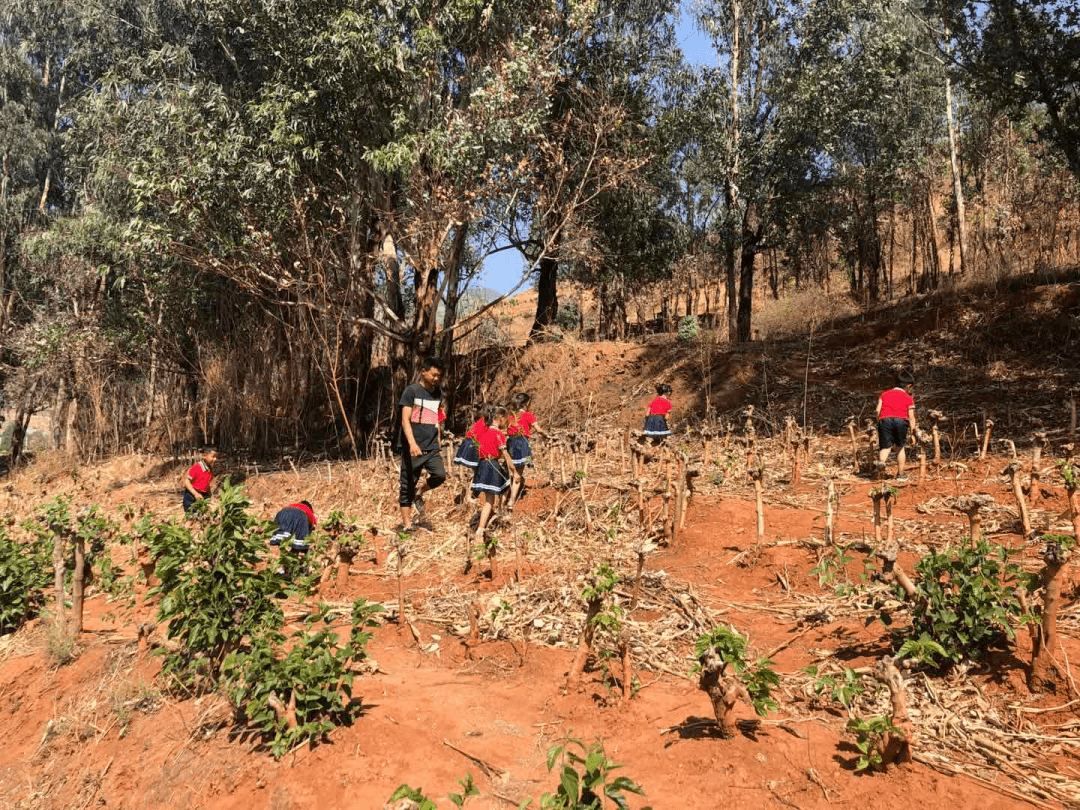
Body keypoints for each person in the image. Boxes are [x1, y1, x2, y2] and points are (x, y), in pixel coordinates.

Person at [398, 356, 447, 531]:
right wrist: (412, 443)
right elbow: (405, 420)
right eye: (433, 374)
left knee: (440, 475)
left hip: (431, 445)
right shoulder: (411, 391)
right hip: (413, 447)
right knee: (407, 485)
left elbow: (437, 418)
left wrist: (439, 439)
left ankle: (420, 493)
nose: (436, 378)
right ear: (423, 371)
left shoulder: (438, 392)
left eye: (439, 376)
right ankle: (407, 525)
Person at [469, 406, 520, 570]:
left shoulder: (483, 432)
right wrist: (514, 470)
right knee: (489, 501)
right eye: (505, 419)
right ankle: (481, 530)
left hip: (483, 464)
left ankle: (495, 516)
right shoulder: (498, 434)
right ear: (500, 418)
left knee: (501, 489)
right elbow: (504, 454)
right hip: (492, 465)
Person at [506, 392, 546, 509]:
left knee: (511, 470)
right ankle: (511, 501)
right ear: (527, 403)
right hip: (522, 444)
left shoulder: (511, 415)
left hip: (511, 443)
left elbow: (508, 430)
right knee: (519, 472)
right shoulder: (529, 415)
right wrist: (546, 435)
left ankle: (505, 497)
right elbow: (538, 430)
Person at [877, 370, 917, 479]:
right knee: (900, 447)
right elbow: (911, 417)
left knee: (886, 447)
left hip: (885, 419)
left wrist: (880, 421)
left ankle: (881, 464)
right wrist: (913, 433)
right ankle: (900, 474)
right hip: (901, 421)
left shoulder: (884, 394)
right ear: (908, 386)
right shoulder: (909, 398)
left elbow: (877, 410)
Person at [182, 447, 217, 513]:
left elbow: (207, 484)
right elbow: (187, 481)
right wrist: (195, 493)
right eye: (213, 457)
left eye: (215, 457)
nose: (215, 459)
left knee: (202, 516)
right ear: (204, 456)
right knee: (191, 517)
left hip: (203, 495)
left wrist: (209, 496)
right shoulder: (197, 468)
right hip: (191, 496)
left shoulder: (210, 470)